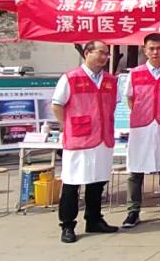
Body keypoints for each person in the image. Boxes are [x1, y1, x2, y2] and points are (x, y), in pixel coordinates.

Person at [51, 41, 119, 243]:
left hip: (102, 138)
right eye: (100, 52)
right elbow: (57, 106)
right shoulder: (70, 78)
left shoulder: (110, 80)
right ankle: (67, 225)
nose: (104, 57)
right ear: (87, 53)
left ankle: (94, 219)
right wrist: (68, 125)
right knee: (73, 183)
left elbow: (112, 105)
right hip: (79, 139)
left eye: (106, 54)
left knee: (98, 181)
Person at [123, 33, 160, 228]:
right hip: (141, 127)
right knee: (136, 169)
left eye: (159, 48)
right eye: (151, 48)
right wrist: (143, 112)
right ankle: (133, 211)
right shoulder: (135, 73)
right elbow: (130, 98)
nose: (155, 52)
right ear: (144, 50)